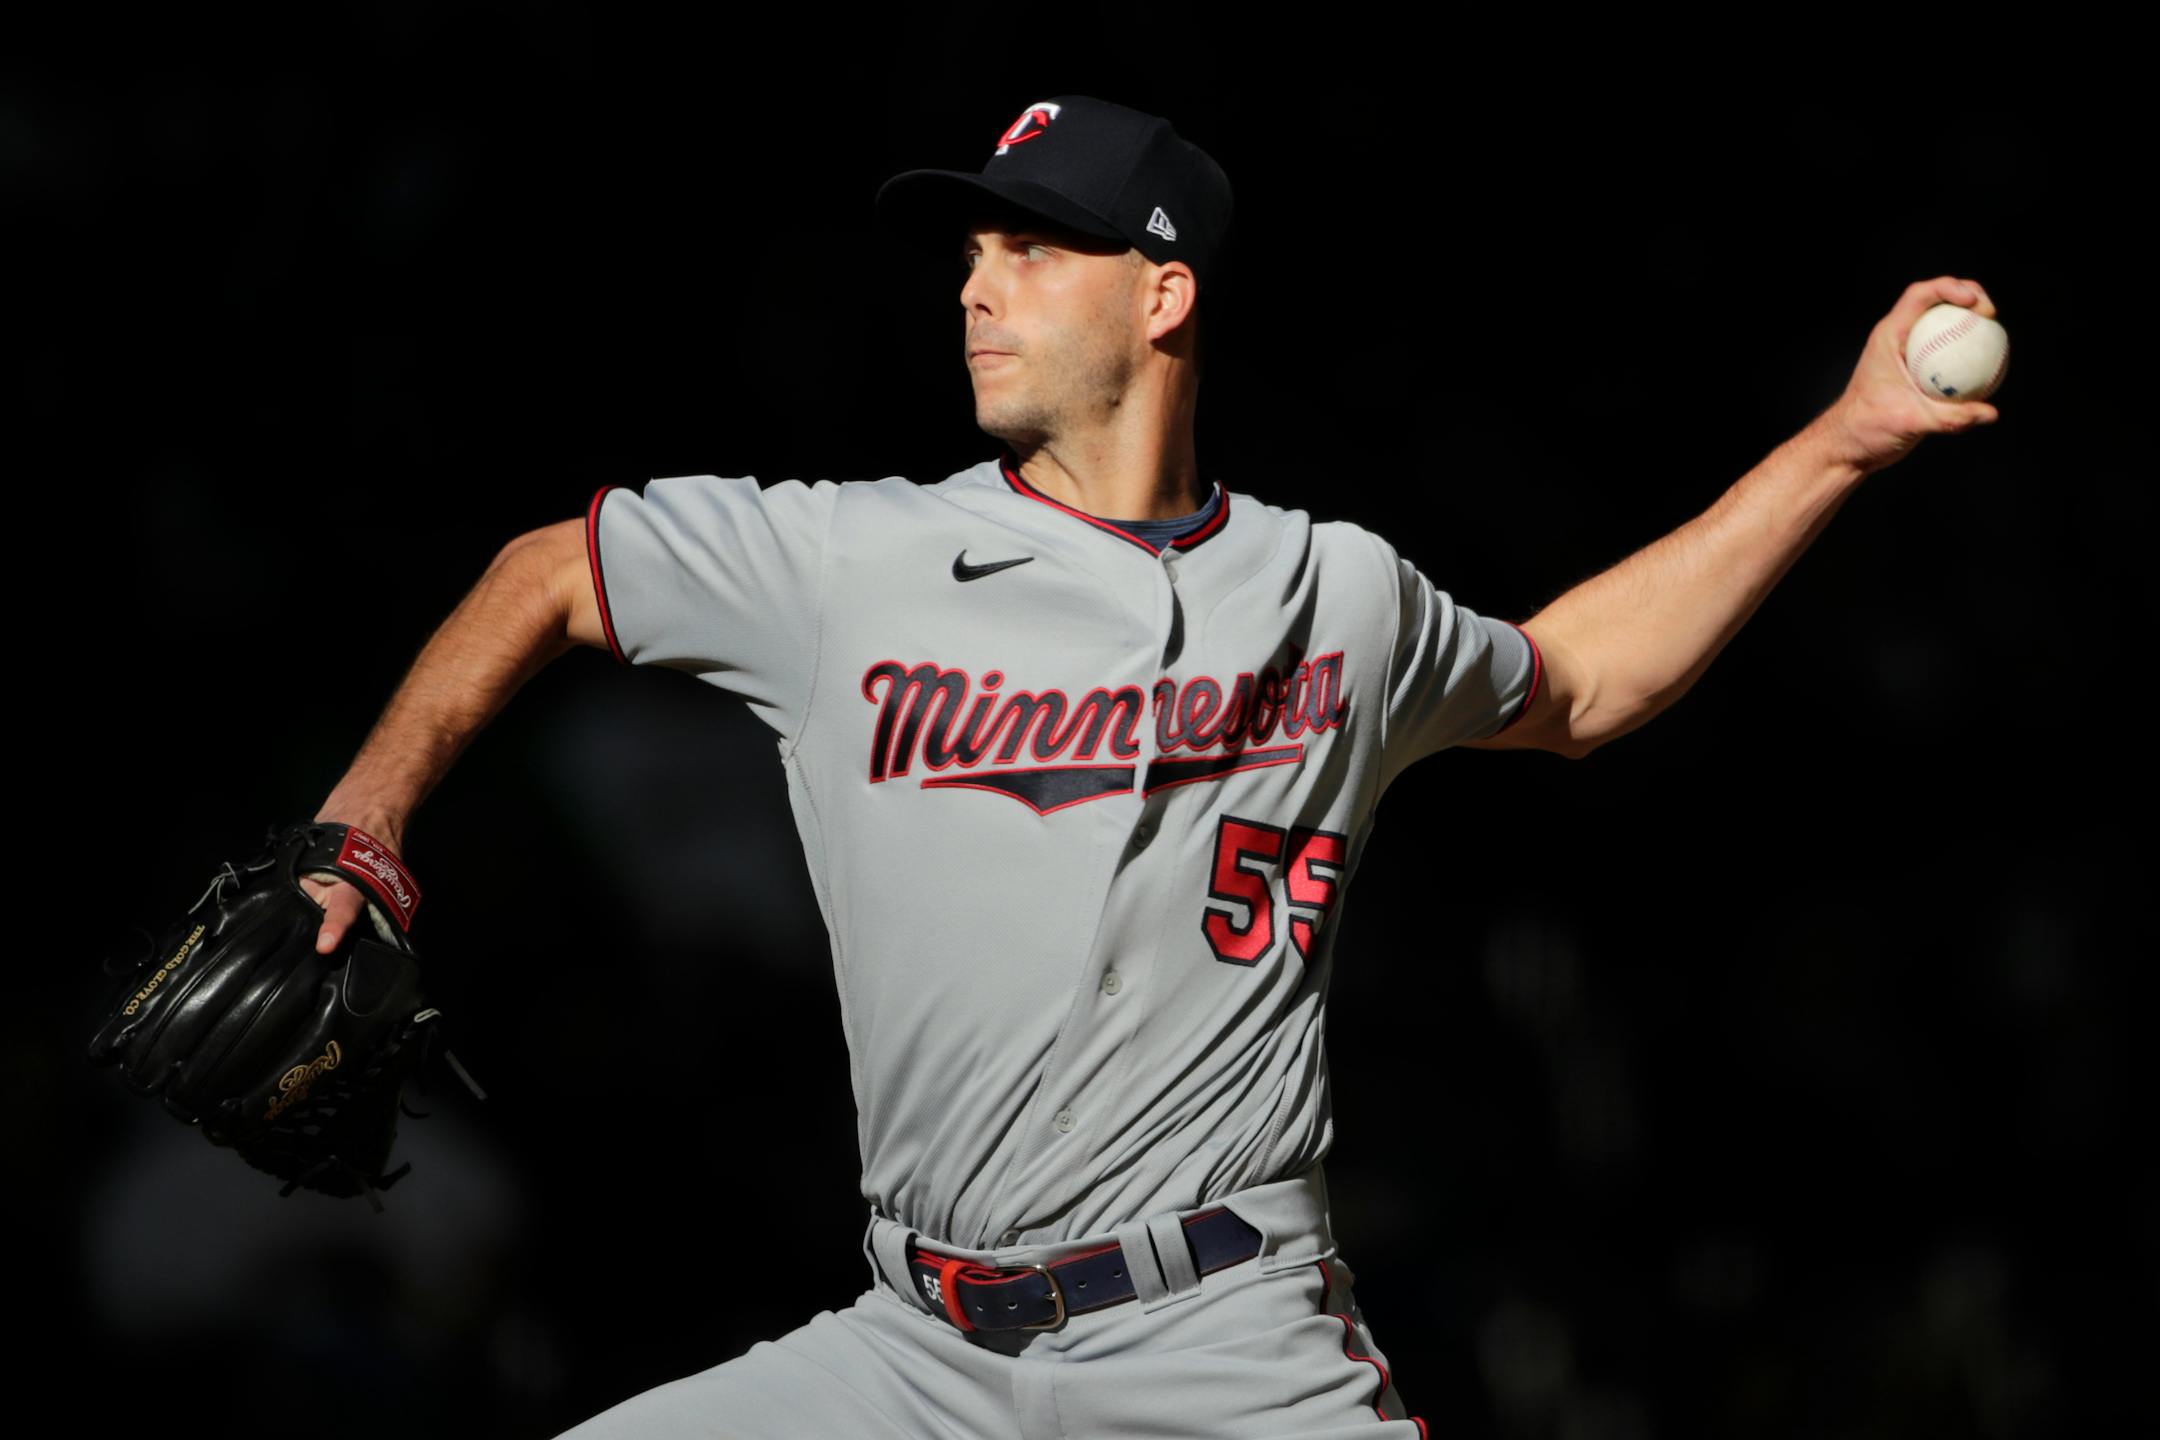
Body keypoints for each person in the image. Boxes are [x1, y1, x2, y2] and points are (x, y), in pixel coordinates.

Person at [299, 96, 2000, 1437]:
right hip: (913, 1353)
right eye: (973, 248)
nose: (976, 282)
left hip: (1228, 1346)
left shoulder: (1336, 595)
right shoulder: (848, 566)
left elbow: (1586, 680)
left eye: (1035, 248)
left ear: (1164, 291)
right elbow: (548, 570)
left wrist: (1842, 438)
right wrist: (361, 827)